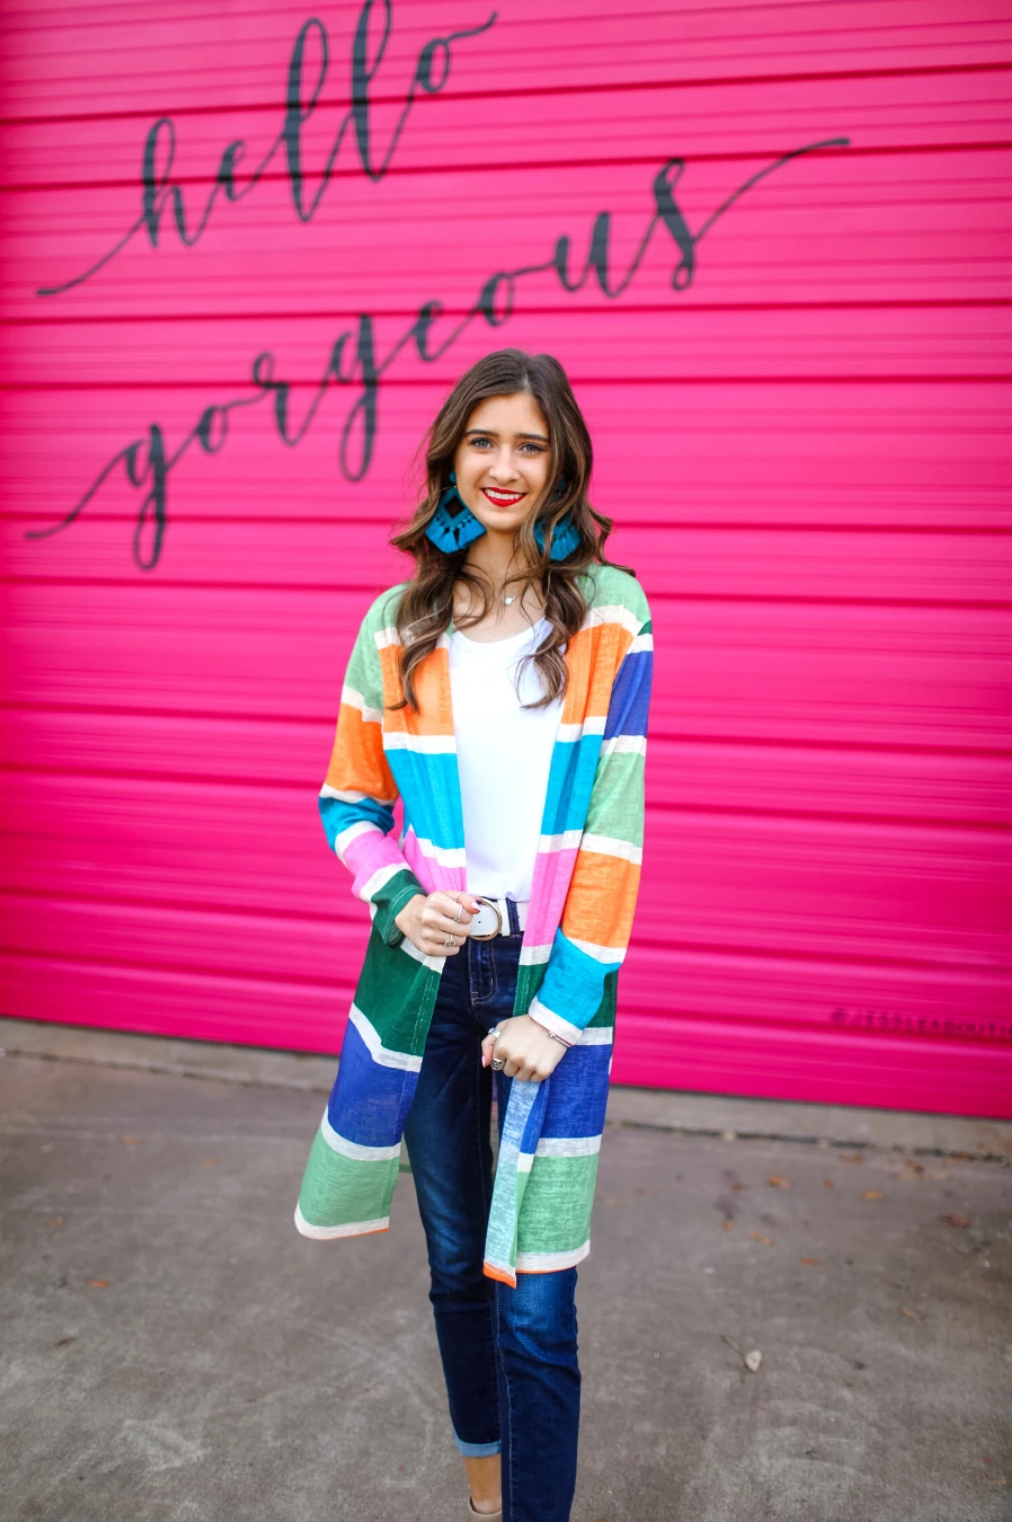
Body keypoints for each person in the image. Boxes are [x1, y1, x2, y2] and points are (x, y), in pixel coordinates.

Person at [295, 348, 653, 1522]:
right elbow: (347, 802)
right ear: (452, 452)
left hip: (553, 982)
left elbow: (614, 826)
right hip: (434, 978)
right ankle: (486, 1497)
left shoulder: (608, 612)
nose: (506, 467)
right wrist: (400, 897)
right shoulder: (396, 625)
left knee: (536, 1296)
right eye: (485, 440)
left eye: (531, 444)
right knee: (456, 1267)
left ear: (562, 465)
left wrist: (557, 1015)